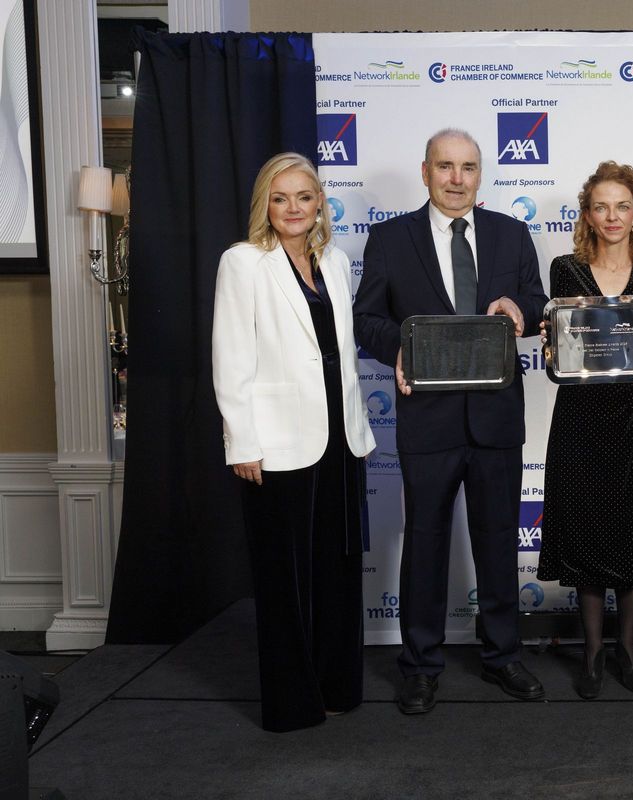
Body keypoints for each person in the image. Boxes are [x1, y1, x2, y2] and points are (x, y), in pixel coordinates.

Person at [353, 128, 549, 714]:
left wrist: (520, 310)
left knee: (498, 542)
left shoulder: (511, 234)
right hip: (427, 420)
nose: (456, 179)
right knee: (426, 542)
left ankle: (503, 655)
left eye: (467, 167)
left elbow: (537, 303)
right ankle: (419, 665)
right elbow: (367, 319)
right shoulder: (391, 239)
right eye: (445, 166)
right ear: (425, 172)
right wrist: (403, 347)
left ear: (480, 174)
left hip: (496, 419)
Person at [212, 152, 375, 732]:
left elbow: (341, 352)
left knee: (337, 570)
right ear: (265, 204)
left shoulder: (335, 260)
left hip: (341, 437)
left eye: (304, 197)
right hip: (277, 442)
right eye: (280, 198)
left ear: (319, 203)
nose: (293, 208)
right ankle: (291, 705)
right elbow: (231, 356)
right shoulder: (243, 262)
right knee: (285, 580)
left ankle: (337, 687)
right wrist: (242, 442)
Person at [536, 161, 633, 699]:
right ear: (588, 215)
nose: (612, 216)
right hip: (581, 417)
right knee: (586, 529)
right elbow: (560, 346)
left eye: (622, 206)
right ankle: (593, 653)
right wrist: (552, 350)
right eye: (601, 207)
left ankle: (629, 648)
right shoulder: (565, 270)